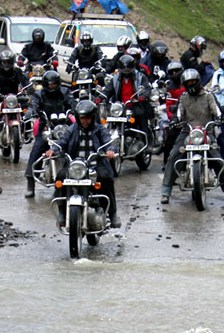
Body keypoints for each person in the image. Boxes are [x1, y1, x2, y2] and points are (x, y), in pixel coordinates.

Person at [160, 68, 224, 205]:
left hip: (206, 132)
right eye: (188, 82)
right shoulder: (183, 98)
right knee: (173, 156)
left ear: (198, 81)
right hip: (187, 132)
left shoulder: (208, 96)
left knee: (217, 158)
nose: (191, 84)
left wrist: (223, 117)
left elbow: (217, 111)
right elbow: (178, 113)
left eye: (193, 81)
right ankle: (166, 191)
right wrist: (174, 121)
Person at [45, 100, 121, 228]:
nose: (85, 121)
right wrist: (53, 149)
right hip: (75, 166)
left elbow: (108, 142)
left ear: (93, 117)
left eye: (87, 118)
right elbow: (62, 142)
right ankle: (62, 212)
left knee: (106, 178)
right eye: (82, 118)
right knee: (60, 178)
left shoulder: (99, 129)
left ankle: (112, 213)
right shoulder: (72, 129)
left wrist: (110, 151)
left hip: (95, 164)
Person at [24, 70, 75, 197]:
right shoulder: (39, 94)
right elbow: (33, 105)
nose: (52, 86)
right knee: (37, 149)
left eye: (54, 84)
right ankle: (30, 182)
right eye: (50, 84)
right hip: (46, 127)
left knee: (75, 147)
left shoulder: (65, 92)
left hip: (64, 127)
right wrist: (31, 111)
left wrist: (77, 107)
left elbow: (72, 102)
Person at [0, 50, 29, 160]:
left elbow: (25, 82)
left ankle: (27, 133)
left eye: (8, 62)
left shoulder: (17, 72)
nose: (6, 64)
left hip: (14, 98)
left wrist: (28, 87)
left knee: (27, 111)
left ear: (12, 62)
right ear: (1, 62)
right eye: (4, 62)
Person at [103, 55, 153, 146]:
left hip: (135, 104)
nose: (126, 69)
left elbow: (147, 88)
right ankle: (108, 142)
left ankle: (146, 142)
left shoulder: (140, 77)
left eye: (128, 67)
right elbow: (107, 90)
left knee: (141, 114)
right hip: (120, 106)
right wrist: (101, 97)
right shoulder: (115, 78)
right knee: (109, 118)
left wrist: (142, 96)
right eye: (124, 67)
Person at [161, 62, 185, 165]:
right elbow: (168, 104)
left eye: (177, 71)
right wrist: (173, 119)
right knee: (169, 140)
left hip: (192, 116)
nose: (175, 73)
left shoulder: (189, 82)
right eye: (172, 72)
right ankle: (167, 163)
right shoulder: (170, 87)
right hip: (177, 117)